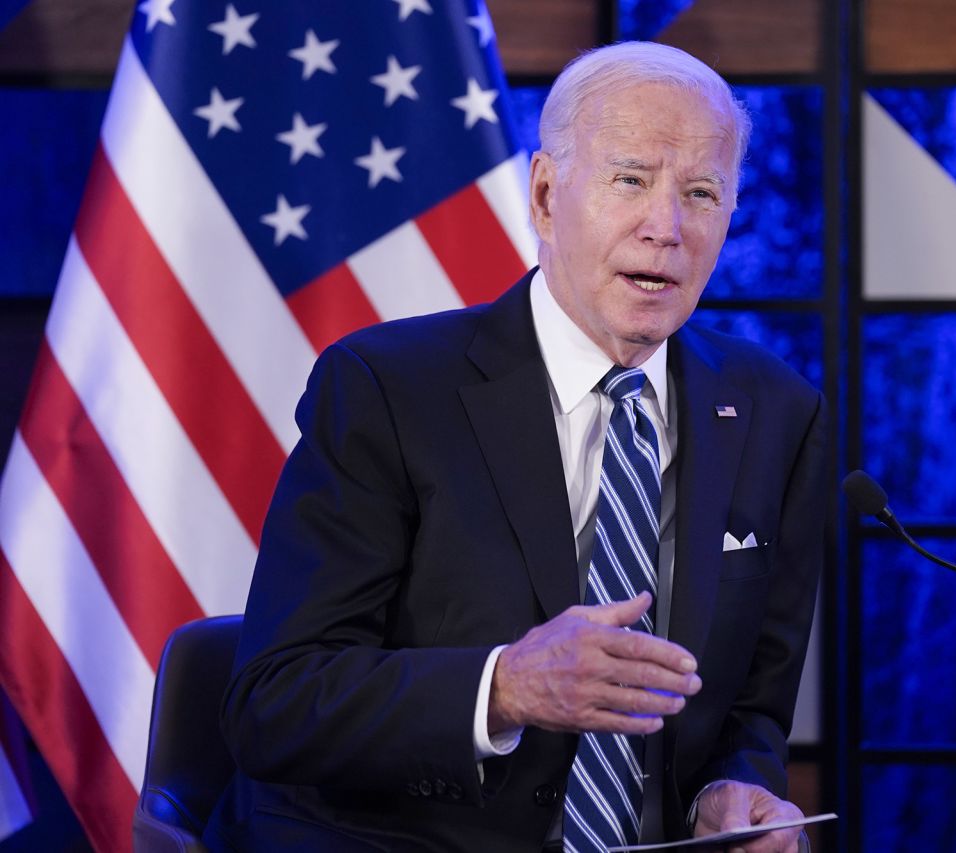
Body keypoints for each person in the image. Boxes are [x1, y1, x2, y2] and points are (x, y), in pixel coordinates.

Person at [204, 41, 826, 853]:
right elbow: (274, 702)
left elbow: (752, 709)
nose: (666, 227)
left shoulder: (777, 408)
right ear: (543, 193)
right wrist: (503, 686)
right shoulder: (386, 390)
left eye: (702, 192)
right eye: (631, 179)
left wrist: (734, 789)